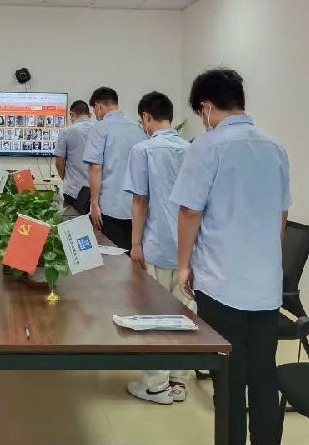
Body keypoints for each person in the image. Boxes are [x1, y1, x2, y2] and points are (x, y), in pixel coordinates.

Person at [171, 68, 290, 445]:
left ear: (206, 108)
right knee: (264, 373)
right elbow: (281, 215)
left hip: (221, 283)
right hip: (266, 286)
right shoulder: (274, 148)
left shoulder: (207, 147)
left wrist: (183, 266)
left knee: (229, 377)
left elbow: (190, 212)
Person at [123, 91, 192, 405]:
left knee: (154, 316)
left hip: (157, 244)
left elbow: (140, 200)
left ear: (146, 117)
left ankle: (156, 386)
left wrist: (135, 243)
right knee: (185, 316)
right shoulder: (192, 149)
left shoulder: (143, 150)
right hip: (190, 250)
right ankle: (179, 381)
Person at [83, 87, 146, 250]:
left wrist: (94, 204)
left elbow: (95, 167)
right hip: (137, 208)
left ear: (98, 106)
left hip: (110, 208)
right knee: (133, 255)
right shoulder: (138, 128)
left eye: (94, 111)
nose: (96, 115)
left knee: (111, 255)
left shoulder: (99, 128)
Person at [55, 100, 95, 208]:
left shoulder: (66, 131)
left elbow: (59, 163)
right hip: (97, 191)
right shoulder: (101, 129)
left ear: (72, 114)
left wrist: (66, 178)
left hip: (73, 191)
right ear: (89, 114)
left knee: (71, 218)